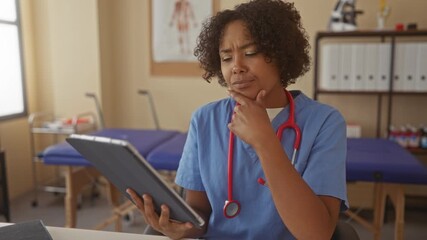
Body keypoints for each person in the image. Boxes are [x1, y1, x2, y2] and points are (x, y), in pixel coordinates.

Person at [127, 0, 348, 239]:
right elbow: (200, 215)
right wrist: (180, 227)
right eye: (226, 58)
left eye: (250, 53)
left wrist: (264, 140)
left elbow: (317, 234)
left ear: (281, 53)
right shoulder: (205, 120)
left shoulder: (325, 123)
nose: (237, 67)